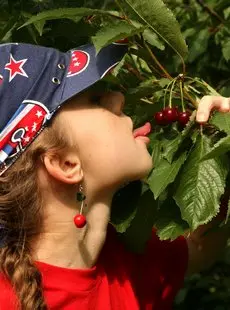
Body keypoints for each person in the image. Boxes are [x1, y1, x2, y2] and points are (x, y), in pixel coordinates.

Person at [0, 42, 229, 310]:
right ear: (65, 163)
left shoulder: (125, 260)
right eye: (95, 100)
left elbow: (201, 248)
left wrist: (221, 144)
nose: (118, 98)